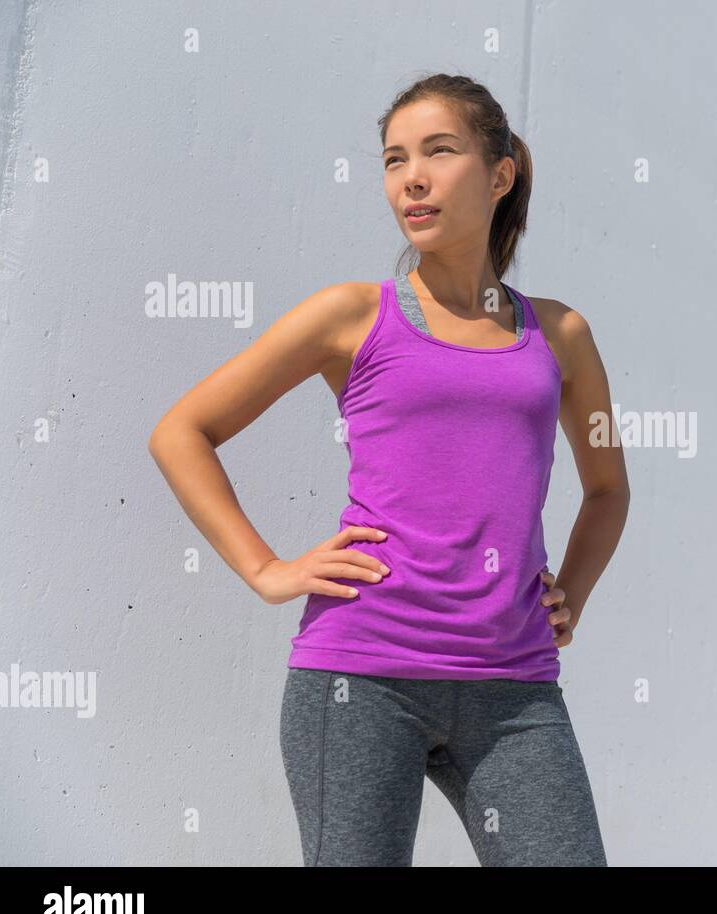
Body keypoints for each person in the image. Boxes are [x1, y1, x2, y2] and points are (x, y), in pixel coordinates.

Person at [147, 73, 629, 866]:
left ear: (500, 174)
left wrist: (570, 593)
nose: (412, 176)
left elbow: (607, 487)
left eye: (440, 151)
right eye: (394, 158)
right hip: (361, 676)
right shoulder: (350, 316)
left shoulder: (562, 334)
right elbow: (182, 431)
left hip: (515, 687)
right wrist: (267, 569)